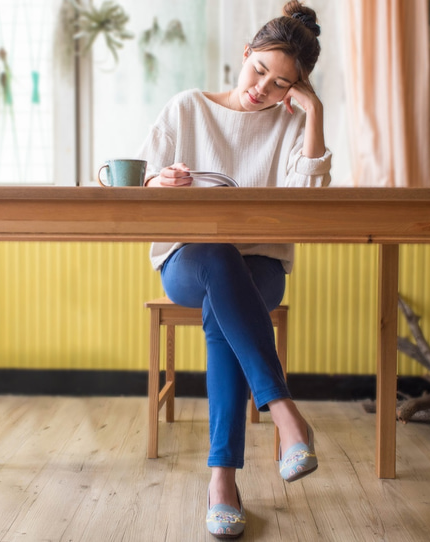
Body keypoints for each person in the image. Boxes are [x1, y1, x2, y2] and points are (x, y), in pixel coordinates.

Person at [137, 1, 331, 537]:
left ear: (296, 89)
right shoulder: (187, 108)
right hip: (187, 261)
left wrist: (314, 115)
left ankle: (222, 481)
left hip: (262, 266)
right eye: (259, 70)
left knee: (227, 309)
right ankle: (285, 411)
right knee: (218, 255)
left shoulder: (293, 125)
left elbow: (309, 202)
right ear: (243, 54)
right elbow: (141, 186)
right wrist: (162, 184)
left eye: (280, 84)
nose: (261, 88)